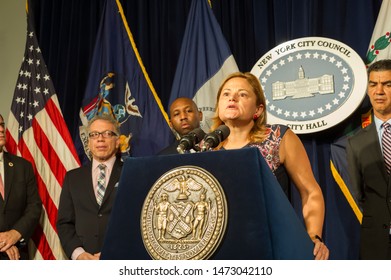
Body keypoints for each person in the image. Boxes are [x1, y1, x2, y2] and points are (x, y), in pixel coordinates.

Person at [211, 72, 329, 260]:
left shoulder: (278, 138)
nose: (232, 98)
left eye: (242, 94)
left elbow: (310, 192)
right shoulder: (204, 148)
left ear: (258, 110)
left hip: (271, 246)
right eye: (226, 94)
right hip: (219, 249)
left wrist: (313, 237)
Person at [57, 114, 123, 260]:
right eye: (94, 135)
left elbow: (137, 221)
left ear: (117, 141)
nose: (100, 138)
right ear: (88, 142)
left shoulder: (130, 174)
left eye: (107, 133)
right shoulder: (72, 178)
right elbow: (64, 223)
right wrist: (78, 254)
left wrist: (116, 252)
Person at [346, 59, 391, 259]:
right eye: (373, 84)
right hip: (375, 243)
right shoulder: (355, 143)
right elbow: (359, 193)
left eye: (388, 84)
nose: (379, 91)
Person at [0, 113, 42, 260]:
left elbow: (34, 206)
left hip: (17, 254)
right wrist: (3, 242)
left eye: (1, 125)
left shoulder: (22, 166)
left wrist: (15, 234)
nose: (1, 129)